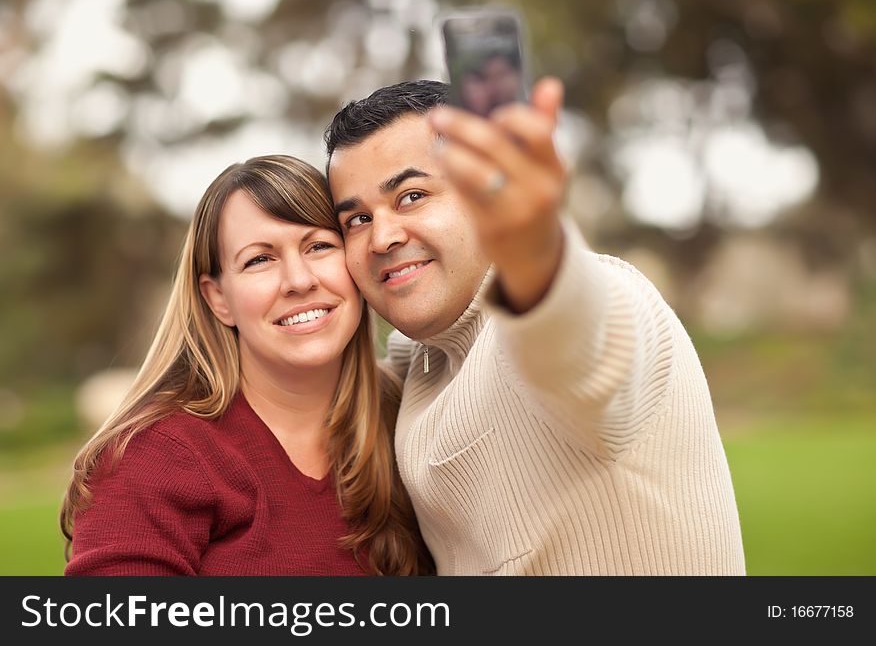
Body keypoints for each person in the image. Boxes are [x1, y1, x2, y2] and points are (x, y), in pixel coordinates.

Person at [324, 79, 746, 575]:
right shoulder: (423, 358)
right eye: (355, 220)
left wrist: (538, 252)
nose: (382, 237)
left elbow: (583, 344)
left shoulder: (599, 296)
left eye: (412, 196)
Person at [61, 155, 433, 576]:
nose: (299, 280)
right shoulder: (158, 454)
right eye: (259, 259)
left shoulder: (407, 418)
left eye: (319, 246)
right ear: (218, 298)